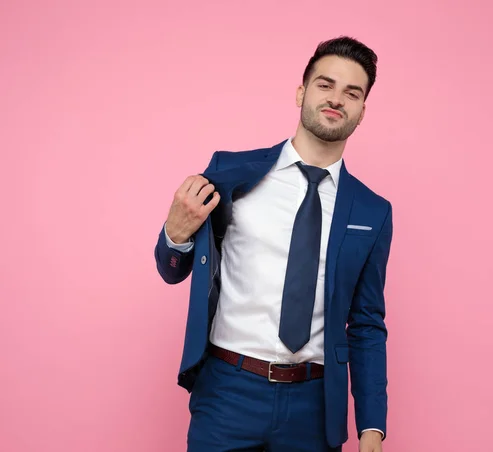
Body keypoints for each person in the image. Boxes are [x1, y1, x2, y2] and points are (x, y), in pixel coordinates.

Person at [154, 36, 393, 452]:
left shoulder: (373, 211)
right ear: (301, 92)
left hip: (314, 407)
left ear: (362, 111)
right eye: (325, 84)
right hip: (228, 393)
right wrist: (175, 233)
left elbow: (367, 324)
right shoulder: (230, 173)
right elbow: (170, 270)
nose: (336, 99)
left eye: (351, 93)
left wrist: (372, 426)